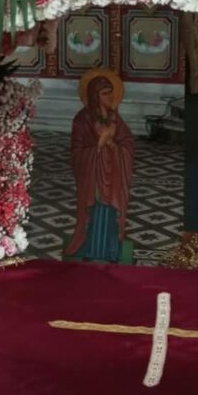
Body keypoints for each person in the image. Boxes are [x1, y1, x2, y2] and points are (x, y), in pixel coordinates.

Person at [64, 71, 134, 262]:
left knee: (110, 212)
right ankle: (90, 249)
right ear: (95, 95)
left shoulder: (114, 118)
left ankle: (111, 251)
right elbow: (77, 152)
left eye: (111, 92)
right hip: (93, 177)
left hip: (113, 176)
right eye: (105, 93)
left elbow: (127, 143)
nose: (110, 96)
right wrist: (99, 144)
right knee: (95, 211)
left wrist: (111, 143)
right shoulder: (82, 120)